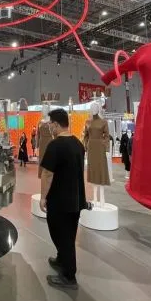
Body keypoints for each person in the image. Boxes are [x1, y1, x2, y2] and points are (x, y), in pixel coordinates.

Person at [39, 108, 87, 291]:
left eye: (50, 124)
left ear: (56, 124)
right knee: (69, 234)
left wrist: (43, 197)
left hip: (60, 200)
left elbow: (47, 174)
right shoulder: (78, 144)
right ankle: (61, 260)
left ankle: (69, 276)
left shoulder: (55, 146)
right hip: (76, 199)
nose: (49, 127)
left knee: (61, 235)